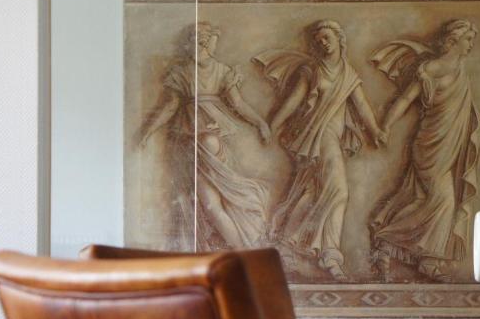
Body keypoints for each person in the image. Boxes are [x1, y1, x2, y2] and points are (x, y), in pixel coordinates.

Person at [253, 19, 383, 281]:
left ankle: (288, 244)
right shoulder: (311, 71)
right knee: (339, 191)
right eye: (319, 40)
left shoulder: (348, 74)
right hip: (317, 136)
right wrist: (272, 125)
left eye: (327, 38)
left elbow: (362, 106)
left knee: (311, 191)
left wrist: (376, 131)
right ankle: (330, 255)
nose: (323, 43)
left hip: (332, 135)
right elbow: (293, 101)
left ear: (339, 40)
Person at [139, 22, 271, 250]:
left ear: (209, 44)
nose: (200, 47)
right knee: (206, 203)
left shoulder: (222, 71)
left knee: (211, 205)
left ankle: (242, 252)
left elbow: (238, 104)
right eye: (196, 42)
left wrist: (260, 122)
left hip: (207, 140)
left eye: (203, 42)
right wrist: (148, 131)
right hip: (192, 140)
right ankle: (240, 252)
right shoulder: (182, 73)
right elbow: (169, 107)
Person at [368, 19, 480, 282]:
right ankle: (391, 240)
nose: (471, 45)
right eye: (467, 39)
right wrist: (385, 126)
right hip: (431, 144)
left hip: (452, 143)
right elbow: (406, 99)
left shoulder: (462, 69)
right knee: (444, 199)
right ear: (452, 41)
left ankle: (412, 254)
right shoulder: (429, 69)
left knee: (423, 199)